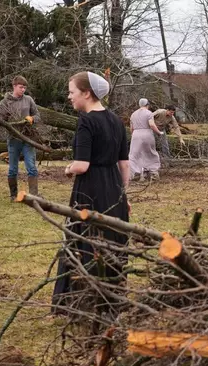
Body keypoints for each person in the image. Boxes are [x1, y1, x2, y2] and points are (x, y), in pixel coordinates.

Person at [52, 71, 131, 314]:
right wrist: (123, 194)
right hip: (114, 188)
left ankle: (75, 303)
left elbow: (82, 165)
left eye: (72, 92)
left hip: (90, 190)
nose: (69, 97)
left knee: (81, 241)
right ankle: (111, 301)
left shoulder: (86, 121)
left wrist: (67, 169)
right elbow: (125, 164)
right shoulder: (117, 121)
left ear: (86, 93)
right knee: (112, 241)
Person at [0, 75, 42, 201]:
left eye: (24, 88)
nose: (23, 90)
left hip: (28, 138)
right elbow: (1, 120)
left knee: (31, 167)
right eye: (21, 87)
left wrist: (32, 119)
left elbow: (37, 115)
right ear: (14, 86)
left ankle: (34, 195)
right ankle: (13, 195)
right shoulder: (5, 102)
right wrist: (10, 126)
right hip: (13, 139)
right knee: (12, 169)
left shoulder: (28, 100)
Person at [129, 98, 164, 181]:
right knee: (150, 152)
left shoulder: (133, 114)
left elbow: (132, 128)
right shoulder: (149, 113)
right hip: (146, 134)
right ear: (147, 105)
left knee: (135, 154)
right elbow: (151, 125)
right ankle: (153, 173)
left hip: (136, 134)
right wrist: (159, 132)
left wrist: (133, 135)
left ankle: (136, 173)